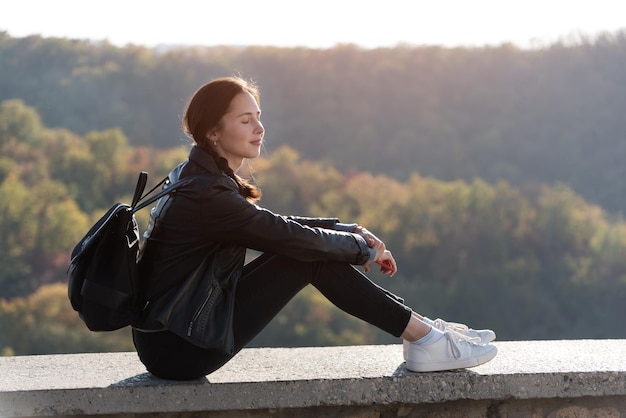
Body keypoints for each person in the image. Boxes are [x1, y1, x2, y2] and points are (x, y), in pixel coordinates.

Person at [132, 76, 498, 380]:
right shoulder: (206, 194)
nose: (259, 129)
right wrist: (361, 248)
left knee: (307, 252)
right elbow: (286, 236)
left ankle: (425, 333)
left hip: (173, 332)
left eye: (258, 117)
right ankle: (425, 338)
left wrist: (349, 230)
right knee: (308, 258)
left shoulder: (198, 177)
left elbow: (274, 227)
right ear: (213, 132)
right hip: (178, 347)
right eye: (245, 121)